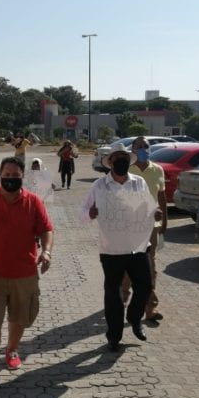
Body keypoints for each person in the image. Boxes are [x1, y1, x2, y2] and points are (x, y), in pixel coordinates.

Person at [0, 156, 54, 386]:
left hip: (24, 274)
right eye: (6, 175)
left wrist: (46, 252)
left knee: (20, 319)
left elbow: (47, 229)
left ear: (23, 177)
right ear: (0, 175)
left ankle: (11, 349)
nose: (10, 179)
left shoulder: (34, 202)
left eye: (15, 176)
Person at [81, 143, 162, 351]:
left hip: (138, 246)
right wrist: (91, 213)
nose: (121, 161)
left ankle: (135, 318)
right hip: (112, 250)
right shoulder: (100, 186)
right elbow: (83, 212)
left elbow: (148, 206)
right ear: (110, 162)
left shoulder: (139, 183)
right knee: (113, 295)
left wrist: (156, 212)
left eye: (124, 158)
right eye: (117, 158)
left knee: (144, 286)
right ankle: (114, 336)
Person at [121, 136, 167, 322]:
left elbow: (161, 196)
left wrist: (164, 221)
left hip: (151, 227)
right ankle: (122, 299)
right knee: (127, 266)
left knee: (150, 266)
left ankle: (150, 308)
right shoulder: (126, 169)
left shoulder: (157, 170)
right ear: (132, 150)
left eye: (145, 146)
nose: (143, 149)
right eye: (138, 146)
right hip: (129, 226)